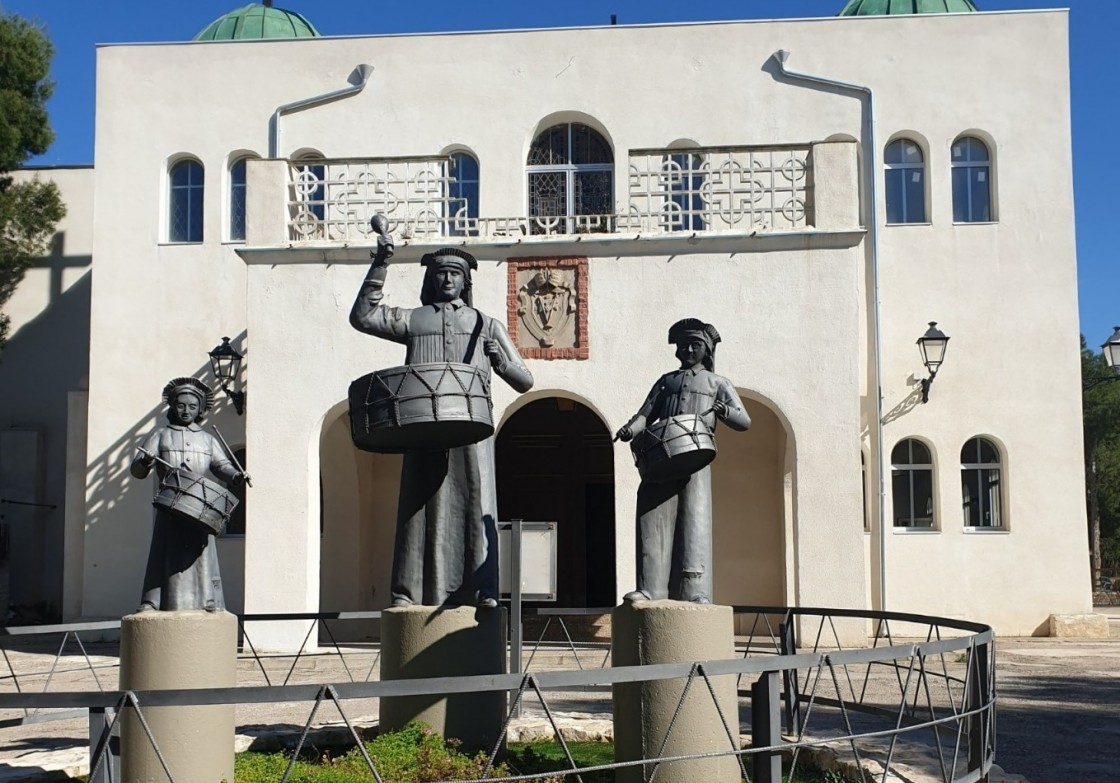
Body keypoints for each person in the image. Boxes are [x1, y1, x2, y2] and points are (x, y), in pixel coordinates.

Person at [349, 216, 533, 607]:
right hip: (423, 425)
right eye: (440, 274)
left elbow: (524, 380)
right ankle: (407, 593)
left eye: (454, 274)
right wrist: (380, 263)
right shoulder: (414, 319)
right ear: (430, 279)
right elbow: (363, 317)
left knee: (477, 503)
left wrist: (501, 361)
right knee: (417, 507)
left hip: (471, 425)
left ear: (466, 281)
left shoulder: (486, 324)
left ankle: (483, 591)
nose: (446, 280)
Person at [615, 319, 750, 604]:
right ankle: (649, 588)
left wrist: (723, 409)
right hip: (663, 458)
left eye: (696, 345)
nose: (689, 349)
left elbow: (743, 420)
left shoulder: (717, 383)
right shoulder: (667, 381)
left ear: (707, 350)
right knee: (652, 518)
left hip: (696, 460)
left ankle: (695, 591)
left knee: (694, 523)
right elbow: (645, 414)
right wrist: (630, 429)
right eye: (684, 345)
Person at [130, 377, 248, 612]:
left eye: (192, 406)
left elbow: (221, 465)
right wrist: (144, 460)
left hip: (200, 507)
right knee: (164, 554)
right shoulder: (160, 435)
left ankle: (209, 602)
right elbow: (137, 470)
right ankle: (154, 601)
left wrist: (236, 476)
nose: (186, 411)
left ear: (200, 409)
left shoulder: (207, 439)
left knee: (202, 558)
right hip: (170, 507)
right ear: (172, 406)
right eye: (181, 405)